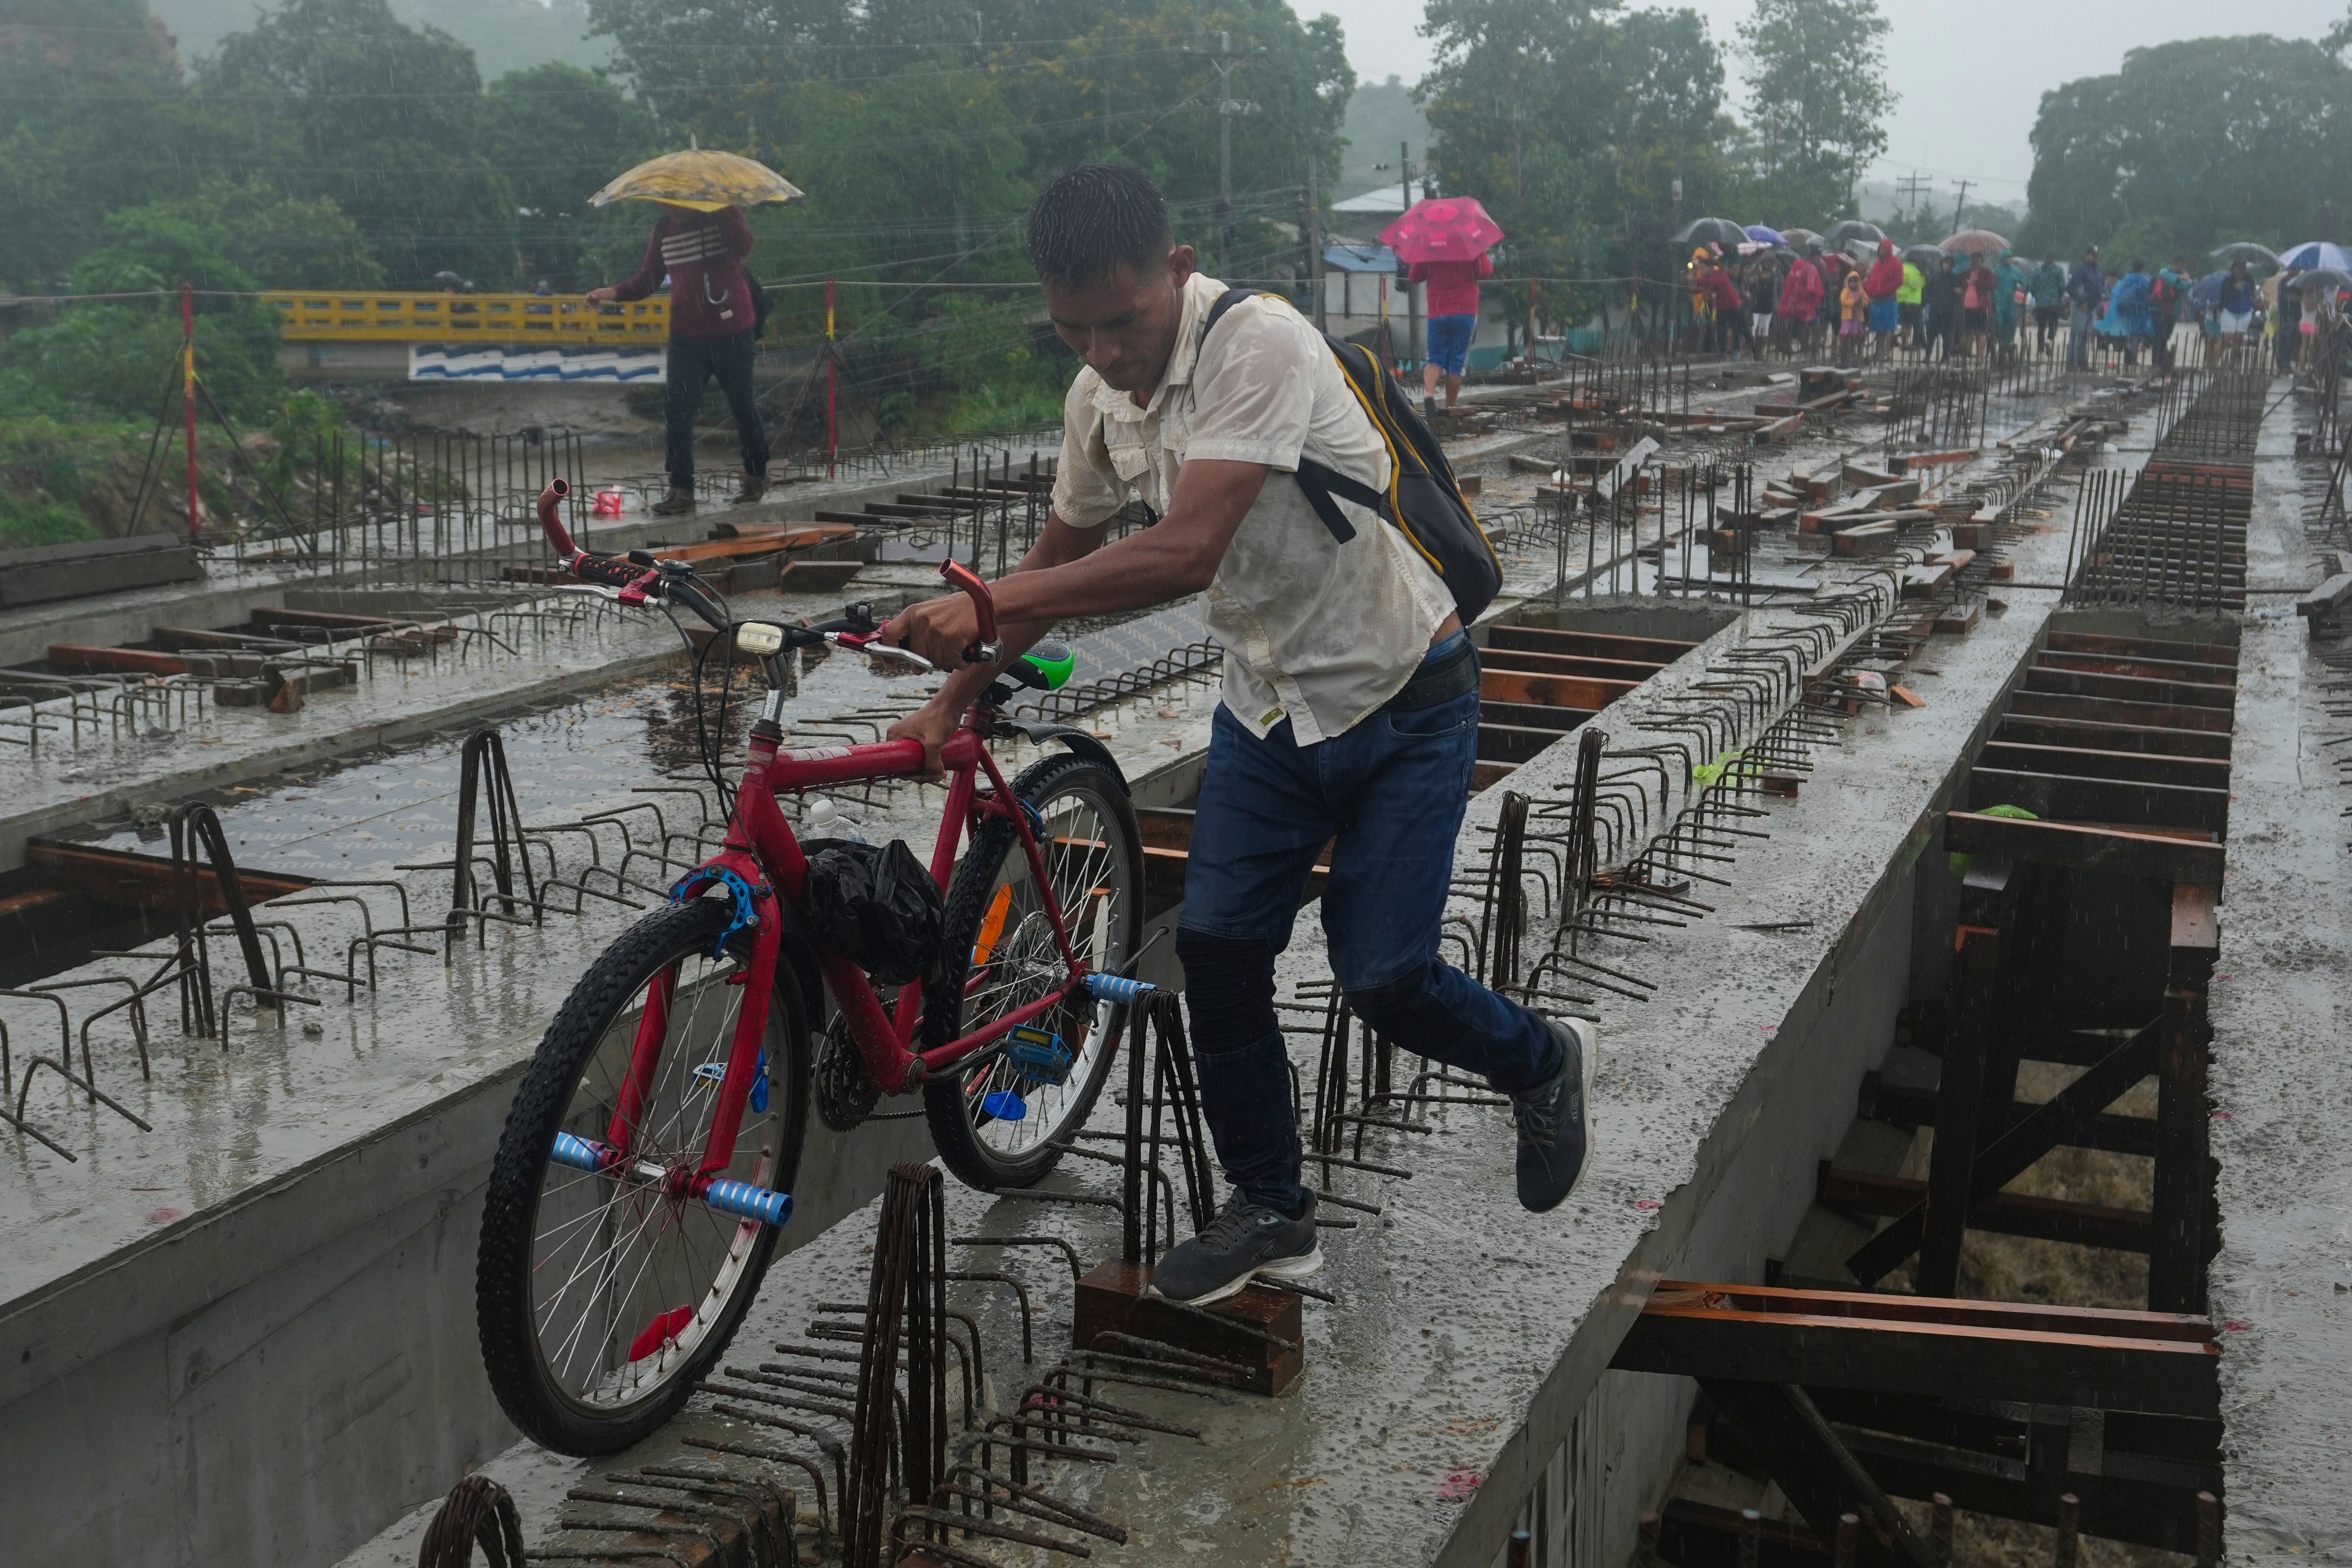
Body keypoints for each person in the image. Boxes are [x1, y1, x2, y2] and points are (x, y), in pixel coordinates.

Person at [880, 165, 1597, 1306]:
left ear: (1175, 270)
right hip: (1268, 709)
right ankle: (1272, 1208)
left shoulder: (1256, 342)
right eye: (1075, 329)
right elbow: (1053, 574)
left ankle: (1539, 1059)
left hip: (1404, 694)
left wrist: (982, 610)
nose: (1105, 350)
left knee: (1386, 974)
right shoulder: (1094, 401)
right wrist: (953, 701)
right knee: (1216, 949)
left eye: (1123, 321)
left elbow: (1187, 551)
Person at [588, 201, 769, 514]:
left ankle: (756, 477)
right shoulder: (663, 230)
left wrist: (722, 213)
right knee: (677, 409)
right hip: (687, 334)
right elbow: (649, 280)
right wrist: (613, 293)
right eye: (665, 203)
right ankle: (681, 490)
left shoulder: (722, 215)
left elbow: (744, 246)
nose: (671, 209)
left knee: (742, 406)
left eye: (676, 203)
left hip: (733, 329)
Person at [1410, 248, 1493, 416]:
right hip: (1465, 312)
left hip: (1438, 311)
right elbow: (1486, 272)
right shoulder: (1469, 246)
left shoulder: (1430, 248)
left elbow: (1414, 277)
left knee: (1435, 358)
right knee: (1457, 363)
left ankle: (1429, 393)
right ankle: (1449, 407)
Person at [1777, 247, 1824, 357]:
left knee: (1797, 328)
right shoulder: (1811, 268)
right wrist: (1809, 303)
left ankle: (1789, 349)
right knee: (1814, 327)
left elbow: (1788, 283)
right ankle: (1810, 352)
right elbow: (1811, 289)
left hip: (1793, 305)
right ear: (1815, 257)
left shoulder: (1796, 265)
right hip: (1806, 307)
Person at [1864, 240, 1903, 358]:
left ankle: (1887, 353)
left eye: (1884, 249)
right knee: (1878, 328)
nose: (1882, 251)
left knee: (1889, 328)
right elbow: (1873, 279)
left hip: (1889, 300)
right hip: (1876, 300)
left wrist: (1885, 290)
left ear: (1889, 250)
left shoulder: (1896, 263)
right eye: (1880, 249)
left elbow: (1899, 281)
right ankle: (1878, 352)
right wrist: (1869, 290)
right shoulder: (1877, 264)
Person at [2066, 246, 2104, 369]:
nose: (2095, 258)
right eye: (2093, 255)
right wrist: (2082, 302)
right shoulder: (2082, 270)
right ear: (2087, 256)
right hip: (2081, 307)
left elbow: (2100, 287)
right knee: (2077, 335)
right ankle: (2072, 363)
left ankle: (2082, 362)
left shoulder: (2098, 270)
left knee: (2085, 336)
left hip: (2092, 307)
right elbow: (2071, 288)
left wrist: (2098, 301)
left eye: (2096, 256)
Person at [2148, 258, 2189, 370]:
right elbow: (2166, 277)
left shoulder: (2184, 275)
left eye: (2184, 266)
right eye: (2180, 266)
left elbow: (2185, 286)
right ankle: (2156, 362)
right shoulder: (2165, 272)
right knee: (2159, 338)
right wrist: (2178, 279)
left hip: (2173, 312)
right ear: (2174, 264)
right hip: (2160, 310)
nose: (2182, 269)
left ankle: (2161, 361)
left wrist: (2181, 280)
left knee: (2166, 337)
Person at [2215, 259, 2257, 361]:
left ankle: (2233, 363)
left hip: (2245, 311)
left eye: (2243, 268)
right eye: (2238, 268)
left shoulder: (2249, 279)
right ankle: (2215, 363)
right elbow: (2224, 297)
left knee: (2239, 338)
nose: (2240, 271)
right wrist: (2235, 289)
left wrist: (2256, 296)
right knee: (2227, 337)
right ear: (2234, 269)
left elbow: (2253, 293)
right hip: (2230, 311)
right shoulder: (2227, 281)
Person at [1923, 254, 1959, 361]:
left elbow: (1958, 295)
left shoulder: (1955, 278)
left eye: (1949, 264)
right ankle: (1928, 355)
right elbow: (1928, 291)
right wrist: (1931, 302)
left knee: (1947, 336)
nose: (1947, 266)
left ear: (1953, 266)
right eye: (1945, 263)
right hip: (1935, 310)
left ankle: (1946, 356)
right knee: (1931, 335)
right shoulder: (1935, 277)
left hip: (1949, 311)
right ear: (1942, 264)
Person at [1991, 250, 2026, 362]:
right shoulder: (1996, 270)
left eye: (2010, 258)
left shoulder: (2016, 270)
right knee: (1999, 322)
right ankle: (2000, 341)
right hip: (1999, 302)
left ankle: (2007, 343)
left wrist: (2020, 287)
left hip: (2011, 302)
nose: (2009, 260)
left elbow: (2024, 282)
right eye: (2007, 258)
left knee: (2011, 323)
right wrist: (1994, 297)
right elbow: (1992, 285)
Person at [2030, 257, 2066, 356]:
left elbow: (2032, 287)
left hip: (2041, 303)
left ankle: (2041, 350)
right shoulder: (2059, 271)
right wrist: (2058, 295)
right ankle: (2049, 340)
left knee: (2041, 327)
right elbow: (2063, 286)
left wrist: (2037, 296)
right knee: (2053, 325)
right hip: (2054, 302)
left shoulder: (2038, 271)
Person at [1744, 250, 1778, 354]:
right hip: (1756, 305)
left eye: (1770, 262)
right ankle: (1751, 350)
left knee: (1764, 329)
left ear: (1773, 263)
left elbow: (1779, 291)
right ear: (1762, 262)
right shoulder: (1755, 273)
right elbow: (1747, 284)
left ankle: (1761, 351)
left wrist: (1777, 304)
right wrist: (1751, 283)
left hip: (1768, 306)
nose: (1767, 264)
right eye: (1765, 262)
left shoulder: (1776, 276)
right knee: (1753, 329)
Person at [1836, 266, 1869, 364]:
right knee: (1846, 336)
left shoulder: (1861, 292)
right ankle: (1844, 353)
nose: (1854, 284)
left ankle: (1854, 354)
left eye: (1856, 281)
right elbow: (1843, 301)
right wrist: (1854, 302)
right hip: (1848, 318)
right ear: (1848, 282)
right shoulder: (1846, 291)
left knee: (1856, 336)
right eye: (1852, 281)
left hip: (1858, 318)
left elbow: (1867, 300)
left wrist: (1862, 303)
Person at [1897, 251, 1926, 353]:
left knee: (1904, 323)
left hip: (1901, 299)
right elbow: (1915, 285)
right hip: (1912, 301)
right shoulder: (1914, 271)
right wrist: (1923, 278)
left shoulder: (1902, 268)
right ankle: (1908, 343)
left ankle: (1904, 342)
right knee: (1911, 323)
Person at [2276, 268, 2305, 371]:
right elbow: (2285, 297)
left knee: (2293, 338)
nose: (2293, 272)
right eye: (2291, 269)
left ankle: (2288, 361)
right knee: (2284, 338)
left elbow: (2302, 297)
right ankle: (2281, 362)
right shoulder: (2284, 281)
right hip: (2285, 314)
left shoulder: (2301, 282)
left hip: (2296, 314)